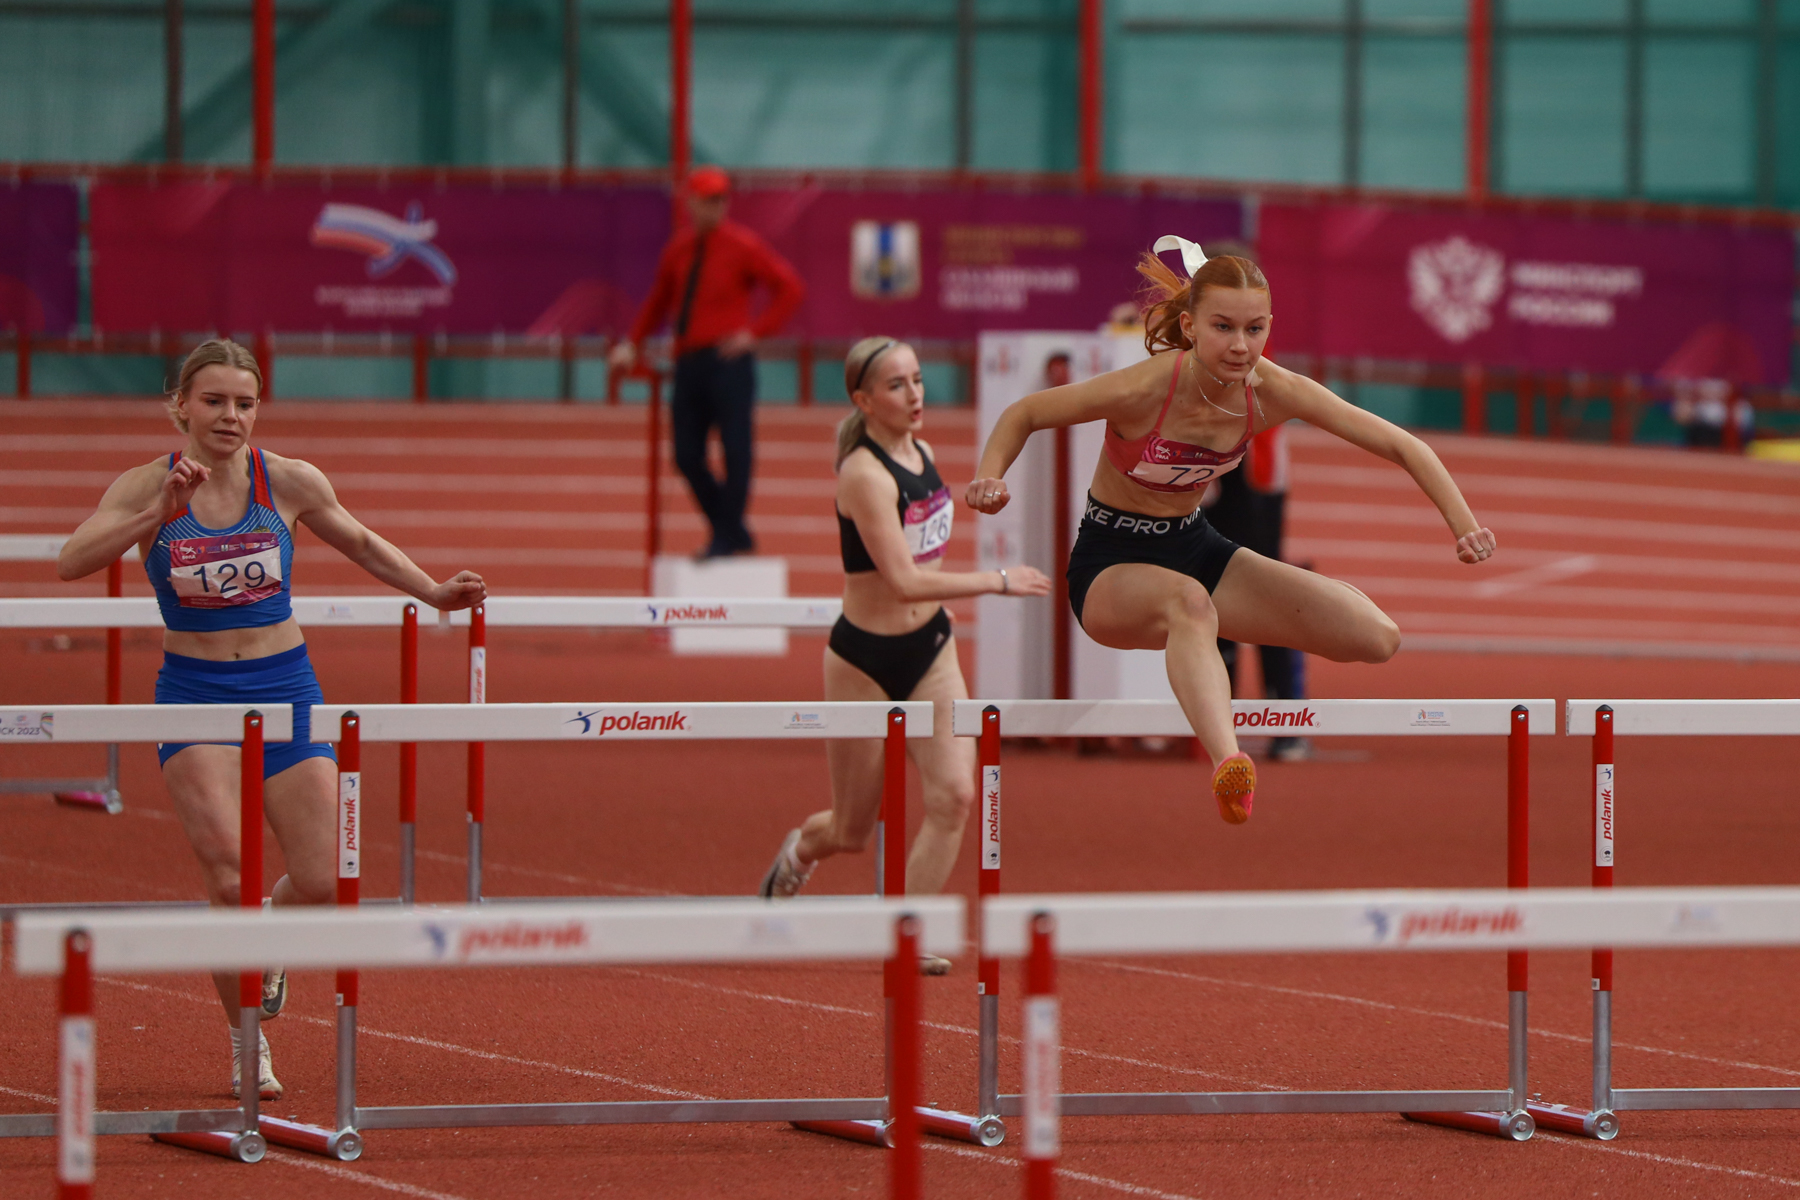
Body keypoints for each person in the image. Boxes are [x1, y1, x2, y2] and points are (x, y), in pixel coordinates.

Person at [55, 339, 486, 1100]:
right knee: (228, 877)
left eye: (245, 403)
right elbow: (71, 559)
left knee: (324, 877)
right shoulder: (147, 484)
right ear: (181, 406)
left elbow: (360, 540)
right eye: (214, 401)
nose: (231, 416)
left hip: (286, 687)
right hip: (195, 696)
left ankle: (269, 935)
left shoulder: (285, 479)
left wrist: (431, 592)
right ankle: (245, 1042)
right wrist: (157, 515)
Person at [966, 236, 1496, 823]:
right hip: (1110, 563)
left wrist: (1464, 527)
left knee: (1376, 637)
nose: (1241, 346)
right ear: (1190, 327)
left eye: (1254, 329)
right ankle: (1229, 765)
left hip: (1195, 546)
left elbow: (1403, 445)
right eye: (1223, 328)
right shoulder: (1145, 387)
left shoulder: (1274, 392)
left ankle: (1263, 661)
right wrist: (990, 476)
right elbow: (1025, 412)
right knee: (1189, 604)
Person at [759, 338, 1050, 969]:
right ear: (863, 400)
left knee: (955, 797)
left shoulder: (923, 452)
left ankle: (902, 932)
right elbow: (902, 582)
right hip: (863, 660)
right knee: (851, 830)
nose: (915, 394)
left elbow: (925, 559)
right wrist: (997, 581)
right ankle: (798, 853)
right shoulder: (862, 475)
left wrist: (943, 590)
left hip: (930, 651)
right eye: (897, 385)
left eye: (917, 380)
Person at [608, 165, 805, 559]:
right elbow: (658, 301)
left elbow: (790, 288)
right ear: (692, 203)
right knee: (685, 454)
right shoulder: (679, 250)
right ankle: (730, 529)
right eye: (708, 200)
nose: (717, 207)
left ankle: (726, 534)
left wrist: (754, 333)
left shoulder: (742, 245)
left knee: (736, 449)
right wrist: (632, 343)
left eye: (721, 200)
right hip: (689, 361)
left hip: (728, 362)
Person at [1201, 421, 1311, 762]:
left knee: (1267, 603)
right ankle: (1219, 725)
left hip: (1257, 480)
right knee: (1217, 604)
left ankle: (1285, 728)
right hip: (1222, 478)